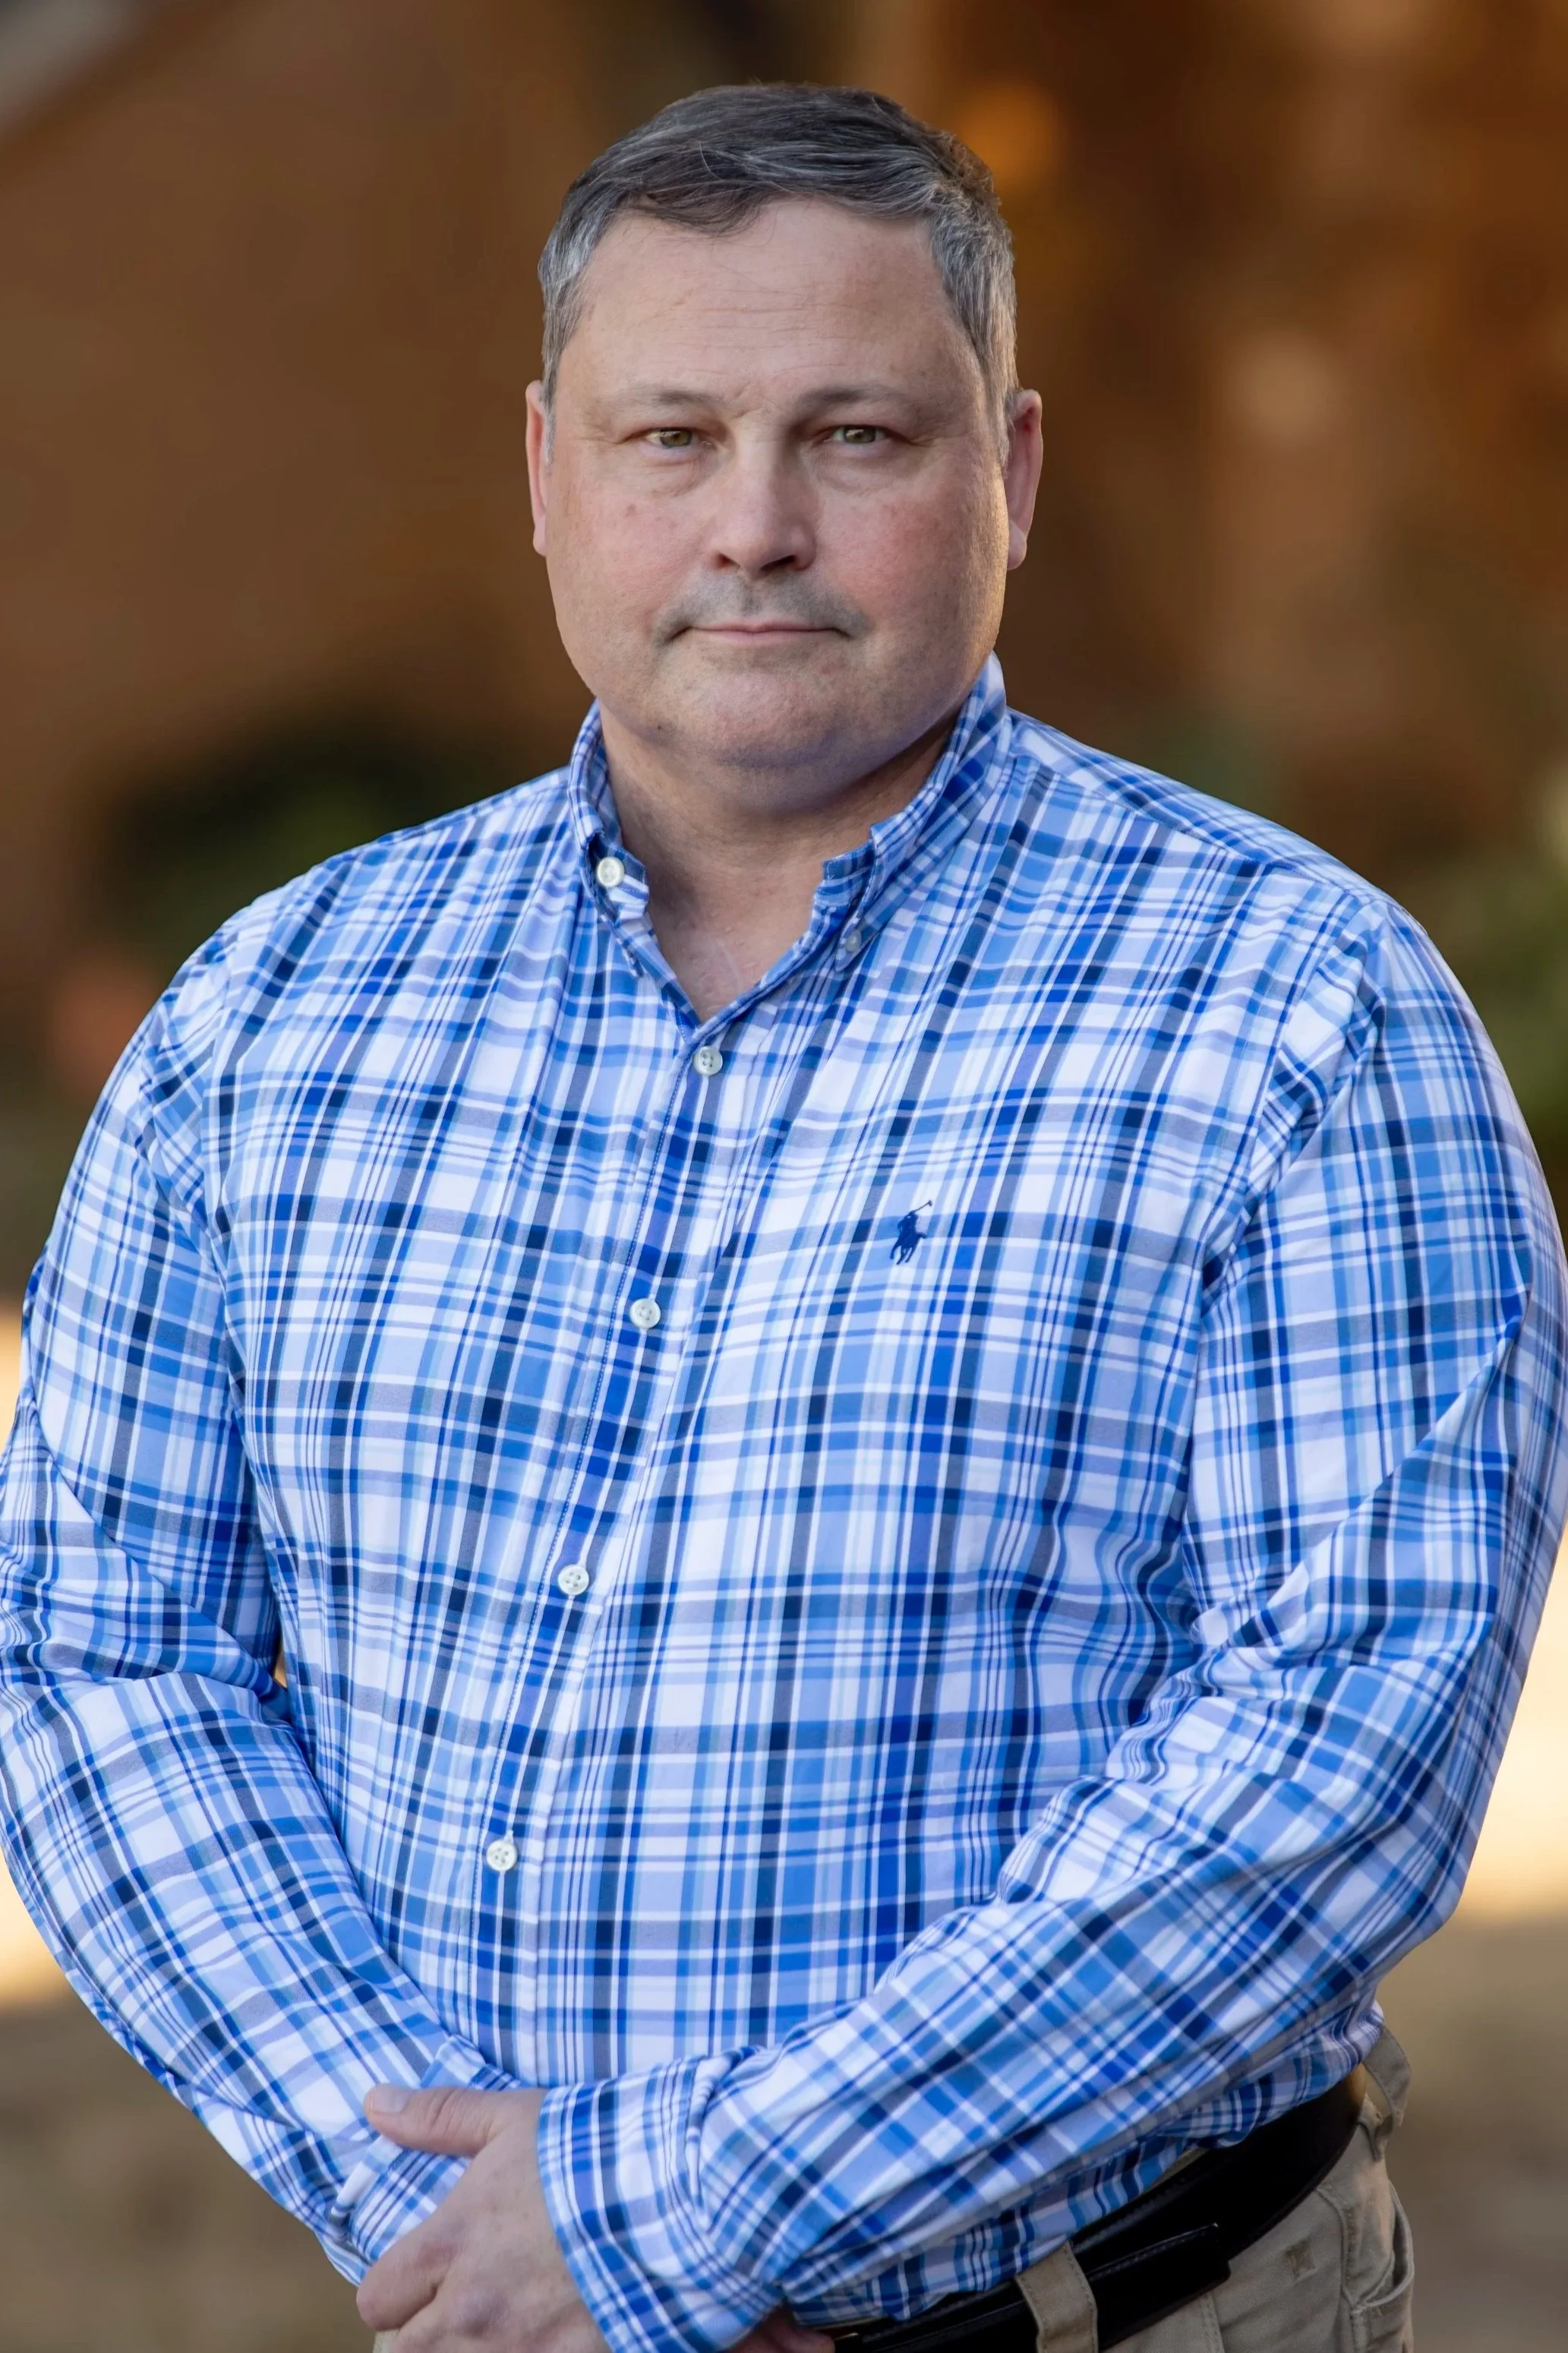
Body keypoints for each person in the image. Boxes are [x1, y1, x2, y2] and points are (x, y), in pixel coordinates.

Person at [0, 81, 1563, 2353]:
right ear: (546, 476)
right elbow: (104, 1638)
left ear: (1007, 474)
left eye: (856, 438)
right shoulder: (275, 1023)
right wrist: (431, 2197)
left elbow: (1344, 1742)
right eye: (670, 440)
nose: (754, 526)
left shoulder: (1300, 1018)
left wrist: (673, 2217)